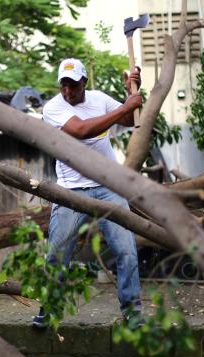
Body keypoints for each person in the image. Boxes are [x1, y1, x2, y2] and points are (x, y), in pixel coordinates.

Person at [32, 58, 143, 328]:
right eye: (63, 85)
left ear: (84, 82)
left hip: (108, 185)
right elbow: (80, 131)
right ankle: (49, 310)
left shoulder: (99, 98)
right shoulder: (53, 107)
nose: (68, 91)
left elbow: (129, 119)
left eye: (73, 85)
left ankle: (132, 311)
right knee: (57, 254)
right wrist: (124, 108)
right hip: (72, 190)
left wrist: (133, 91)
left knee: (126, 250)